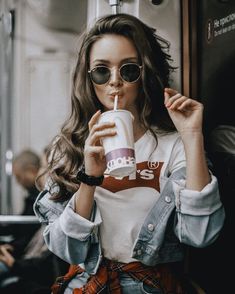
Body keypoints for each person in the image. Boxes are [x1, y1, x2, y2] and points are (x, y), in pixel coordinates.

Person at [34, 13, 225, 294]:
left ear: (144, 73)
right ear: (88, 78)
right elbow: (66, 250)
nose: (115, 82)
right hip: (87, 285)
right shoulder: (70, 147)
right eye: (101, 70)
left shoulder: (173, 145)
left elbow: (200, 234)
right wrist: (89, 179)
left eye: (129, 70)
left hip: (150, 286)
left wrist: (192, 136)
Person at [0, 149, 41, 257]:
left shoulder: (39, 198)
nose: (18, 182)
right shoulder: (32, 196)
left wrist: (11, 247)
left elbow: (28, 236)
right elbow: (20, 228)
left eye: (18, 177)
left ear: (32, 170)